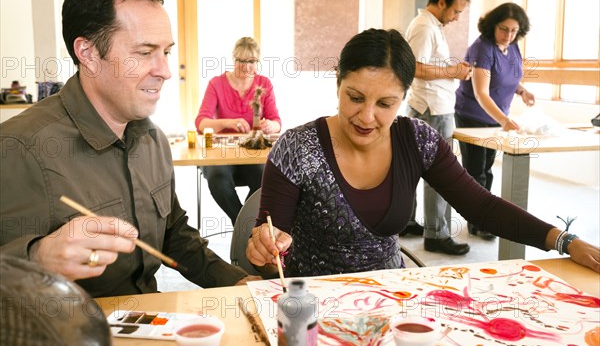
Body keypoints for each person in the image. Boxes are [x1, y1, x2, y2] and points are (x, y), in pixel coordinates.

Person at [245, 28, 600, 278]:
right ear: (338, 82)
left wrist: (564, 240)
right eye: (355, 97)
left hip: (390, 297)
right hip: (310, 304)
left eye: (385, 103)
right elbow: (270, 247)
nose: (367, 117)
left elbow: (481, 206)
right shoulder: (297, 146)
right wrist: (262, 248)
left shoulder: (417, 140)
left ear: (404, 98)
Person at [0, 0, 258, 298]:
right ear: (89, 53)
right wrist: (37, 258)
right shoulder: (19, 147)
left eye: (165, 51)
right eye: (145, 51)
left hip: (151, 335)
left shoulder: (154, 139)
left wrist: (237, 282)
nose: (164, 70)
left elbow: (174, 235)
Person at [404, 0, 473, 255]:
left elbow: (427, 64)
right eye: (455, 11)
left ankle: (408, 221)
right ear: (441, 2)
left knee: (414, 168)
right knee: (439, 173)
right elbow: (414, 67)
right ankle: (437, 234)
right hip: (433, 109)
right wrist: (453, 72)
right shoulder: (424, 27)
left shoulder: (432, 26)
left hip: (430, 106)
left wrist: (452, 69)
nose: (457, 17)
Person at [454, 3, 535, 238]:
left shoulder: (512, 47)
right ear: (493, 26)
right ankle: (477, 222)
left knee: (487, 169)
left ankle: (485, 217)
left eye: (513, 30)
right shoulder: (483, 48)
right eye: (503, 29)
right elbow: (482, 92)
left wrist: (522, 91)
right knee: (475, 171)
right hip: (473, 115)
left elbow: (507, 76)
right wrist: (504, 120)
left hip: (496, 118)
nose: (508, 35)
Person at [195, 36, 282, 226]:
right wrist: (229, 122)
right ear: (234, 59)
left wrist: (270, 126)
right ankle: (244, 226)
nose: (246, 66)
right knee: (218, 178)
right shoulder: (216, 84)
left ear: (257, 62)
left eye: (251, 61)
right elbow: (201, 123)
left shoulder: (264, 84)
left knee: (266, 176)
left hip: (250, 154)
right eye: (241, 61)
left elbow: (276, 121)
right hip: (221, 155)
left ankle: (245, 223)